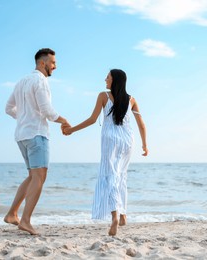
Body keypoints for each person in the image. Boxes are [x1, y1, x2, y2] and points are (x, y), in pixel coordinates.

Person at [63, 69, 148, 236]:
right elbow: (141, 124)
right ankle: (123, 215)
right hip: (127, 140)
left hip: (110, 139)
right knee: (121, 175)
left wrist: (72, 130)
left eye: (107, 77)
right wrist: (145, 145)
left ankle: (115, 216)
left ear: (114, 80)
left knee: (110, 176)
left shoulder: (103, 95)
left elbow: (92, 119)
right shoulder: (131, 100)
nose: (105, 79)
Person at [4, 48, 70, 235]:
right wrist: (64, 121)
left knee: (33, 177)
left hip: (22, 136)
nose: (55, 67)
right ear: (43, 63)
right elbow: (47, 111)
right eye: (53, 63)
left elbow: (8, 108)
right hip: (36, 134)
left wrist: (24, 117)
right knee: (39, 178)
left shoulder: (21, 81)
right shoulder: (40, 81)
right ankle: (25, 221)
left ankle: (12, 214)